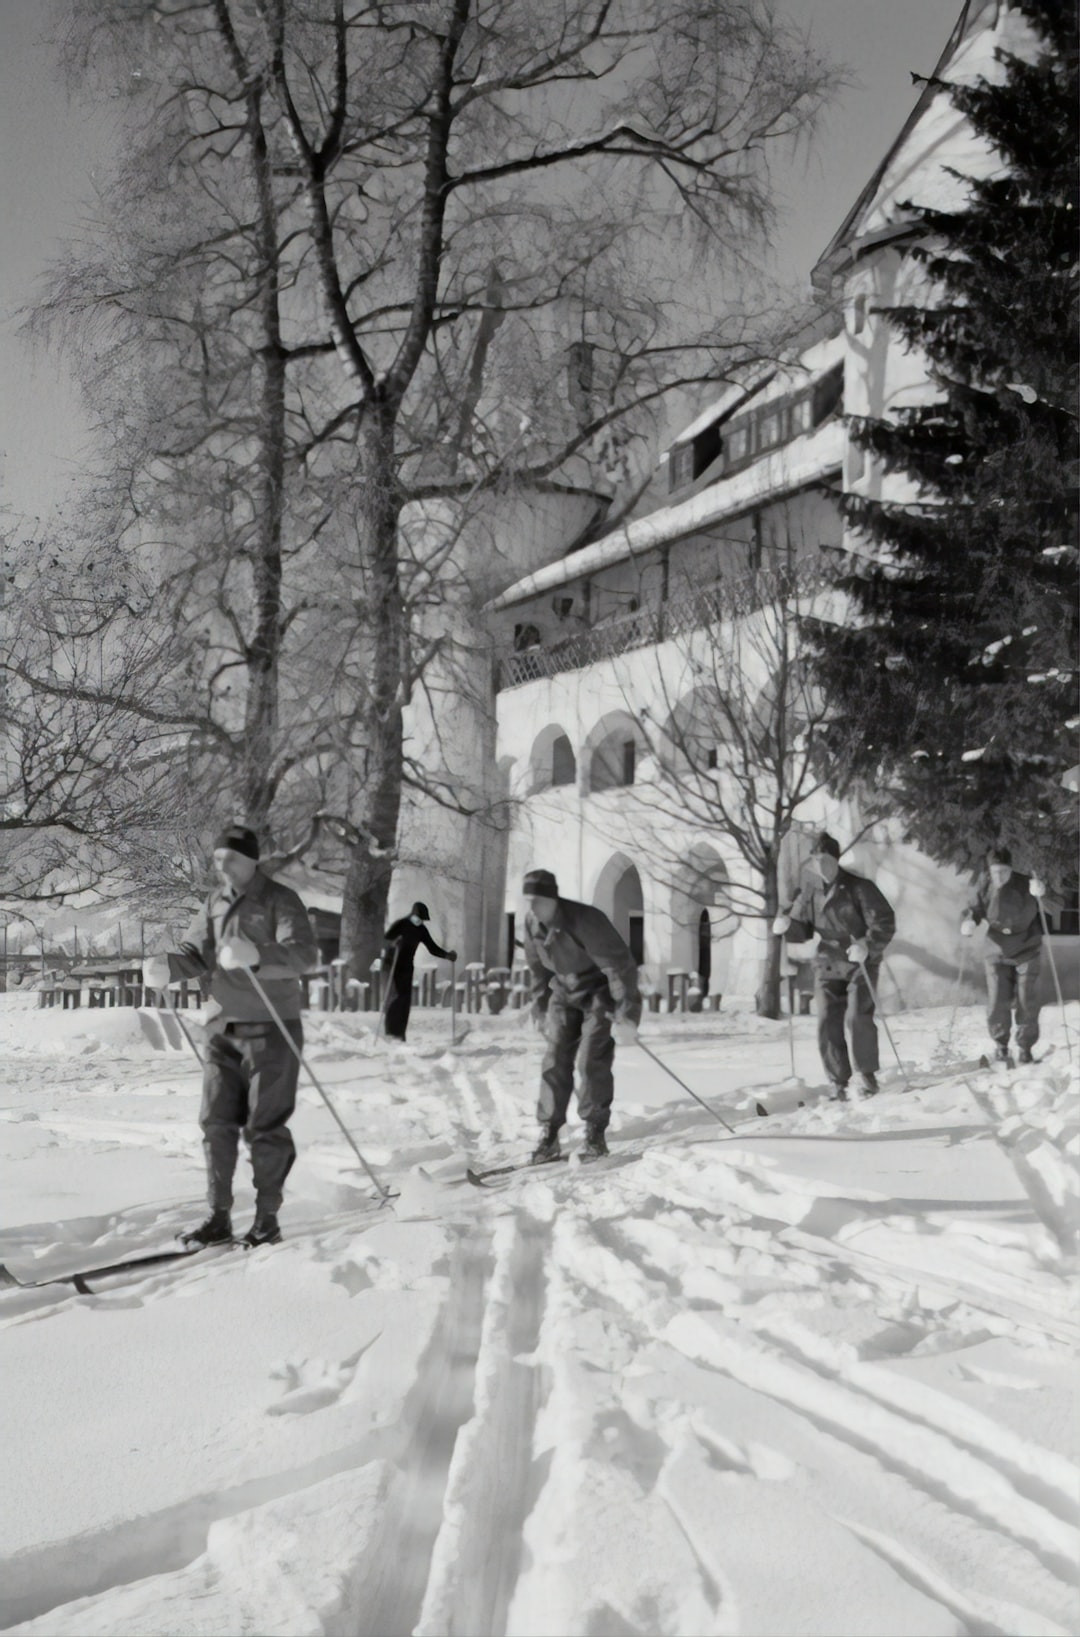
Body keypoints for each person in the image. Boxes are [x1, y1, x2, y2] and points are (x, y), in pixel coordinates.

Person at [142, 824, 319, 1248]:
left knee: (264, 1127)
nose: (222, 866)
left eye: (231, 858)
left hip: (272, 1030)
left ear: (252, 859)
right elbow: (195, 953)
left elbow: (304, 955)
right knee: (216, 1123)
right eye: (218, 858)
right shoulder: (214, 903)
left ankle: (266, 1220)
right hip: (222, 1029)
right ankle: (218, 1215)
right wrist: (167, 966)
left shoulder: (280, 900)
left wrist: (260, 956)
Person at [522, 867, 642, 1162]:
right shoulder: (531, 922)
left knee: (591, 1060)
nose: (532, 907)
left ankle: (595, 1131)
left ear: (553, 899)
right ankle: (549, 1133)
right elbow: (536, 966)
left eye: (538, 900)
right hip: (563, 992)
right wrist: (539, 1005)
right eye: (529, 901)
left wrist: (627, 1014)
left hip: (597, 993)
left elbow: (619, 965)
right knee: (555, 1058)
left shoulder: (586, 919)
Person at [773, 832, 896, 1100]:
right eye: (815, 860)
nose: (820, 865)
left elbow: (884, 921)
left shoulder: (858, 887)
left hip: (859, 961)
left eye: (825, 859)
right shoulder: (810, 892)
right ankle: (838, 1081)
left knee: (857, 1016)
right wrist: (787, 926)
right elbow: (802, 928)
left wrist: (868, 945)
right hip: (827, 961)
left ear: (836, 860)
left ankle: (867, 1076)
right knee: (827, 1018)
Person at [961, 844, 1046, 1064]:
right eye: (995, 872)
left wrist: (1042, 891)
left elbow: (1055, 904)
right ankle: (1001, 1045)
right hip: (996, 948)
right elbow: (974, 908)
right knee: (997, 998)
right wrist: (969, 921)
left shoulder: (1026, 883)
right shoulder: (984, 884)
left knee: (1026, 998)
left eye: (1004, 871)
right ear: (989, 871)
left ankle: (1025, 1046)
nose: (1000, 876)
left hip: (1027, 946)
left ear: (1011, 870)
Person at [381, 902, 457, 1041]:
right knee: (395, 997)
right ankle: (390, 1032)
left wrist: (447, 955)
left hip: (406, 967)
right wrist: (393, 944)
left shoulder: (421, 930)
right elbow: (386, 940)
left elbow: (432, 947)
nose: (420, 921)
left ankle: (400, 1034)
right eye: (418, 917)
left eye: (422, 919)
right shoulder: (401, 924)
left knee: (405, 1000)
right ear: (413, 914)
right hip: (391, 965)